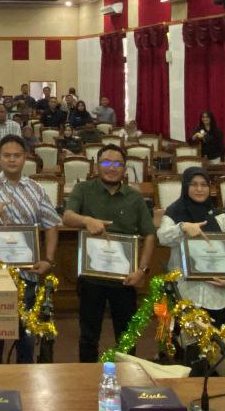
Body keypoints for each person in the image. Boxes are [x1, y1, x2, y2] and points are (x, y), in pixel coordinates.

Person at [0, 135, 59, 364]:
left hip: (27, 274)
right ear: (0, 158)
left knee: (26, 339)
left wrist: (49, 259)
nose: (12, 160)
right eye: (7, 155)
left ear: (25, 158)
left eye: (17, 155)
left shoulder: (36, 189)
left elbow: (52, 225)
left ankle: (24, 379)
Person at [62, 145, 157, 363]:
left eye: (117, 164)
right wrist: (86, 220)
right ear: (97, 166)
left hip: (125, 279)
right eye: (106, 162)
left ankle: (128, 378)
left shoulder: (135, 197)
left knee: (126, 337)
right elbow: (67, 216)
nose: (112, 168)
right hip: (91, 277)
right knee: (88, 336)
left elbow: (150, 235)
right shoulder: (83, 189)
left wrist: (142, 270)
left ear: (124, 168)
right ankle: (87, 377)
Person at [157, 167, 225, 361]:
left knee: (221, 353)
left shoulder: (220, 216)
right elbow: (163, 238)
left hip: (217, 296)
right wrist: (183, 227)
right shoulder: (174, 213)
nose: (199, 189)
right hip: (186, 294)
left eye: (204, 185)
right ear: (185, 186)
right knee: (187, 355)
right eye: (194, 184)